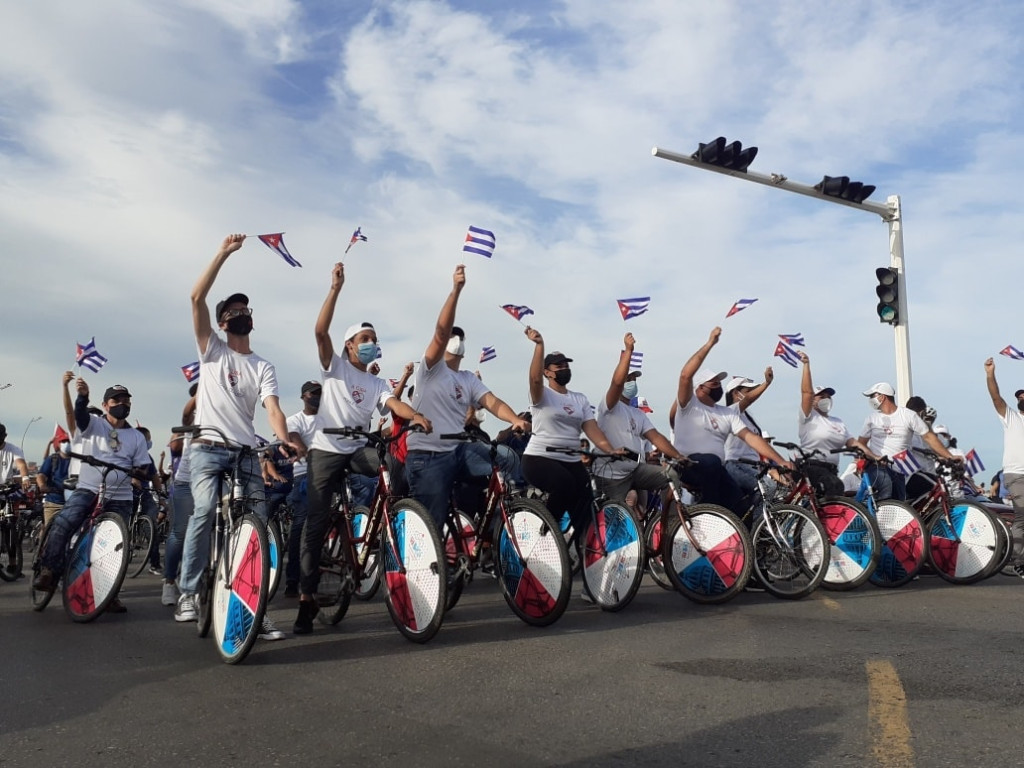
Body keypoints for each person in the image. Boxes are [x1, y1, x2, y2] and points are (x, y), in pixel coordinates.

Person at [176, 234, 305, 643]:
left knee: (257, 527)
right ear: (221, 322)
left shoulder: (263, 365)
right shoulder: (211, 349)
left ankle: (254, 608)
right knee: (203, 511)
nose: (239, 314)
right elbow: (196, 298)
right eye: (231, 311)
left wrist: (283, 439)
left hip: (246, 454)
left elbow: (271, 407)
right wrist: (222, 254)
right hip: (208, 451)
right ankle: (188, 592)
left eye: (244, 309)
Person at [294, 262, 431, 635]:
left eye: (375, 337)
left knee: (391, 467)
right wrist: (335, 289)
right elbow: (320, 330)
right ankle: (307, 600)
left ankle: (385, 521)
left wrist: (415, 415)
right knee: (316, 524)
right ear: (350, 345)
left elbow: (393, 403)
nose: (372, 343)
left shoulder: (373, 383)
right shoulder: (334, 367)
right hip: (326, 449)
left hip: (357, 449)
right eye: (365, 338)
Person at [405, 265, 528, 529]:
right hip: (428, 454)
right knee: (431, 523)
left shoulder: (468, 379)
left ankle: (503, 517)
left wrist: (515, 419)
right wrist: (456, 291)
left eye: (461, 337)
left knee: (506, 457)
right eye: (453, 336)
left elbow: (492, 402)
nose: (457, 339)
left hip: (459, 450)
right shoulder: (429, 370)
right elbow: (440, 333)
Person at [32, 382, 150, 613]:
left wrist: (139, 473)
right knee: (64, 523)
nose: (122, 404)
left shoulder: (136, 437)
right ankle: (49, 571)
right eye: (116, 401)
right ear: (106, 405)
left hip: (121, 497)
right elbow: (78, 416)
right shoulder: (93, 424)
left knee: (115, 548)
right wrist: (82, 397)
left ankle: (110, 593)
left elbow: (143, 467)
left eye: (125, 400)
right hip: (88, 489)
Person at [671, 327, 792, 517]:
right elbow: (685, 375)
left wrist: (781, 461)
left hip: (716, 471)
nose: (718, 387)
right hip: (687, 466)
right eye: (714, 384)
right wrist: (710, 344)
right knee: (711, 462)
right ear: (700, 389)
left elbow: (751, 438)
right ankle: (708, 515)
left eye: (719, 383)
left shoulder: (726, 414)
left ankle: (751, 542)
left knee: (741, 508)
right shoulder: (688, 406)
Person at [521, 327, 620, 555]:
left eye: (567, 365)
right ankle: (546, 535)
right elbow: (534, 379)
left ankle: (586, 551)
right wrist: (539, 345)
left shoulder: (579, 399)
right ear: (548, 372)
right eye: (559, 366)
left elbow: (591, 429)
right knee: (564, 484)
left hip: (570, 458)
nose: (565, 369)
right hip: (539, 458)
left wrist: (610, 450)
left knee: (586, 499)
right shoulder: (542, 395)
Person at [594, 333, 686, 506]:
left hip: (634, 470)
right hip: (610, 475)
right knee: (620, 517)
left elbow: (656, 437)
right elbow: (616, 383)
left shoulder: (638, 414)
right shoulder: (609, 405)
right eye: (628, 379)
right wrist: (629, 351)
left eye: (634, 379)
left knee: (671, 476)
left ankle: (670, 526)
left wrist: (678, 456)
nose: (632, 382)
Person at [796, 352, 878, 497]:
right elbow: (807, 393)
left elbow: (853, 443)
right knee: (836, 486)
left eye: (829, 397)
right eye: (822, 396)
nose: (826, 399)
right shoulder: (808, 416)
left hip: (832, 470)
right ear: (814, 400)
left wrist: (873, 456)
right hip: (811, 467)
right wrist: (806, 365)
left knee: (836, 490)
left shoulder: (837, 421)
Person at [858, 382, 956, 501]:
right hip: (879, 468)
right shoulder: (872, 419)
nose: (870, 399)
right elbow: (861, 444)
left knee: (901, 506)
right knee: (887, 493)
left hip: (901, 472)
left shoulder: (908, 416)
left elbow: (929, 437)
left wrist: (950, 457)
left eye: (872, 396)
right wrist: (874, 457)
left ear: (882, 397)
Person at [983, 358, 1024, 576]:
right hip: (1016, 475)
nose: (1022, 399)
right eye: (1019, 398)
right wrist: (990, 374)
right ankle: (1018, 560)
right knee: (1023, 515)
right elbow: (996, 397)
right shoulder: (1011, 417)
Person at [281, 380, 320, 599]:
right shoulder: (294, 420)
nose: (317, 396)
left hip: (329, 473)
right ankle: (293, 579)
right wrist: (303, 449)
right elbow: (294, 437)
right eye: (313, 393)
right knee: (300, 527)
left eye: (319, 393)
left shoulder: (329, 419)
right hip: (305, 475)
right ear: (303, 396)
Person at [161, 388, 197, 607]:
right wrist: (200, 395)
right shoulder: (189, 422)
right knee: (180, 532)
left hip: (214, 480)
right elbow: (175, 444)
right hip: (185, 483)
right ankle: (169, 581)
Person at [722, 367, 774, 506]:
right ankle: (759, 527)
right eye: (748, 391)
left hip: (751, 466)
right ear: (735, 393)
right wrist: (766, 383)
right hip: (736, 465)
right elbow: (749, 399)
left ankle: (755, 525)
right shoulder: (731, 411)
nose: (752, 394)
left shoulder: (746, 415)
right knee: (767, 488)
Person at [37, 431, 72, 527]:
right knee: (49, 532)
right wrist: (42, 485)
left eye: (68, 441)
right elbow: (41, 475)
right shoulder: (52, 459)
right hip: (53, 503)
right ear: (59, 444)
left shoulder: (77, 461)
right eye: (63, 441)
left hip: (72, 504)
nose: (67, 444)